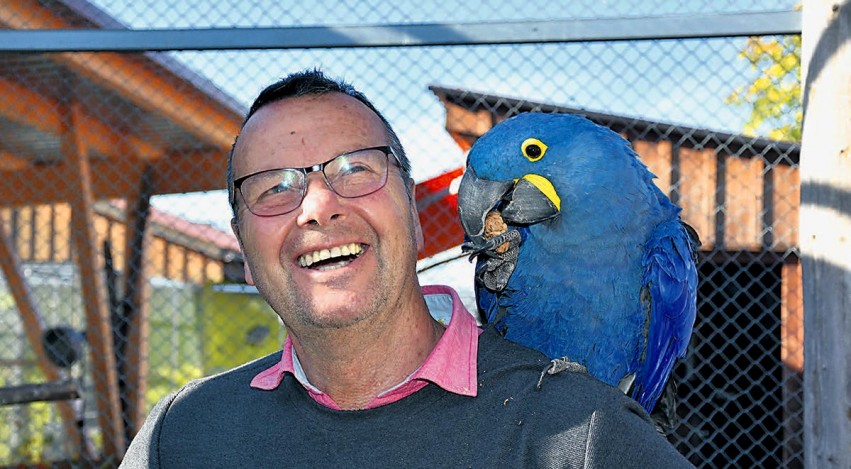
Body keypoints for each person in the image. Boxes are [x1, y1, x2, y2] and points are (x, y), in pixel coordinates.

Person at [121, 69, 693, 468]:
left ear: (416, 219)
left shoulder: (588, 433)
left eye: (355, 170)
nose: (318, 207)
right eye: (273, 187)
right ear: (243, 251)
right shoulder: (180, 434)